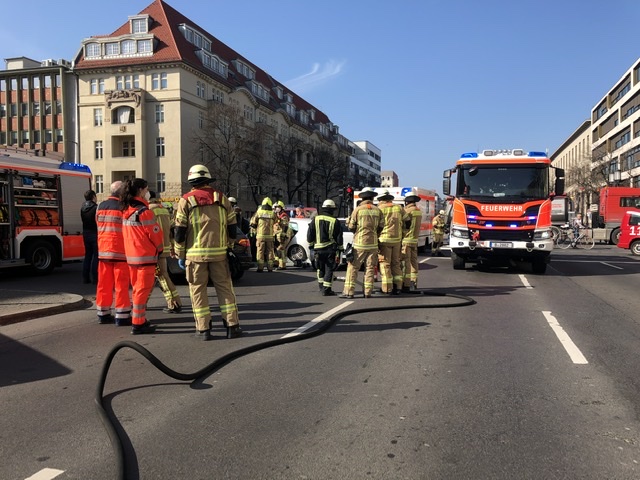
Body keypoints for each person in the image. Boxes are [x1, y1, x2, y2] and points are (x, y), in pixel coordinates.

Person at [174, 164, 242, 340]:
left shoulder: (186, 200)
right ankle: (232, 327)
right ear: (208, 180)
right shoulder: (222, 198)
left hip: (194, 256)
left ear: (192, 182)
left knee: (197, 290)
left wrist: (180, 254)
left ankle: (204, 330)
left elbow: (179, 232)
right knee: (225, 289)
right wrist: (229, 246)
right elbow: (233, 228)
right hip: (219, 254)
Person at [120, 178, 164, 335]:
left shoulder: (127, 210)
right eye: (146, 189)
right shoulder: (144, 212)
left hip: (132, 257)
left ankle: (138, 320)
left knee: (137, 290)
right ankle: (138, 323)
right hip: (145, 257)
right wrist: (160, 249)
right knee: (142, 291)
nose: (147, 192)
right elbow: (155, 234)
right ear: (140, 190)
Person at [96, 181, 131, 326]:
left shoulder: (100, 206)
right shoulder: (124, 207)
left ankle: (103, 314)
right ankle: (122, 316)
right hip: (120, 252)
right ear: (122, 193)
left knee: (103, 284)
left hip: (103, 251)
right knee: (121, 285)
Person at [340, 187, 382, 299]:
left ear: (362, 197)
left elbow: (351, 226)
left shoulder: (358, 210)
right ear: (372, 198)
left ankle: (349, 292)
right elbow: (381, 226)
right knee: (370, 268)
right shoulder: (378, 210)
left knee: (353, 267)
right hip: (373, 244)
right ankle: (368, 292)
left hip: (359, 244)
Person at [149, 191, 182, 314]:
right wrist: (172, 246)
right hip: (164, 247)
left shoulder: (148, 210)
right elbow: (170, 230)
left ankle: (174, 303)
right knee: (155, 276)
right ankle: (141, 303)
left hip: (154, 249)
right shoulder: (163, 210)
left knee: (161, 275)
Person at [307, 199, 343, 296]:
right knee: (329, 269)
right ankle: (326, 290)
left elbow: (310, 235)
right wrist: (340, 249)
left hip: (318, 250)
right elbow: (339, 237)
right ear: (332, 210)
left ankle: (321, 287)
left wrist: (311, 246)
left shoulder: (315, 219)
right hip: (330, 249)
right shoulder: (335, 221)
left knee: (320, 268)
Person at [377, 189, 405, 295]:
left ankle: (387, 288)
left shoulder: (380, 209)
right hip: (397, 240)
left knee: (385, 264)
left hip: (384, 239)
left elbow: (377, 225)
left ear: (381, 199)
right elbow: (407, 220)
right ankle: (398, 287)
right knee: (396, 263)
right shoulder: (399, 207)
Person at [401, 191, 422, 293]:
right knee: (414, 262)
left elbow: (403, 224)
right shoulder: (418, 210)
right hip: (414, 240)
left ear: (407, 201)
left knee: (406, 262)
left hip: (406, 240)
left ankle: (406, 283)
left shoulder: (407, 211)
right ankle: (414, 282)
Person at [250, 197, 276, 272]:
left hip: (260, 236)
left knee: (260, 251)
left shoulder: (259, 212)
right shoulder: (273, 213)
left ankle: (260, 268)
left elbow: (252, 223)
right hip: (270, 236)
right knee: (270, 251)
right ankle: (270, 268)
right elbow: (277, 223)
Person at [80, 189, 98, 284]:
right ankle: (95, 278)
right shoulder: (96, 207)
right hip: (95, 233)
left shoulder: (82, 208)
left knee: (88, 256)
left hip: (86, 233)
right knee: (96, 256)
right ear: (93, 197)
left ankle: (85, 278)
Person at [273, 200, 290, 270]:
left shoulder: (284, 216)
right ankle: (276, 263)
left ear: (282, 208)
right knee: (276, 250)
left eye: (278, 207)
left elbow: (285, 225)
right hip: (277, 235)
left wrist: (279, 221)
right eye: (276, 207)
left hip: (282, 236)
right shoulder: (277, 215)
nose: (277, 208)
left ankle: (282, 265)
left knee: (281, 250)